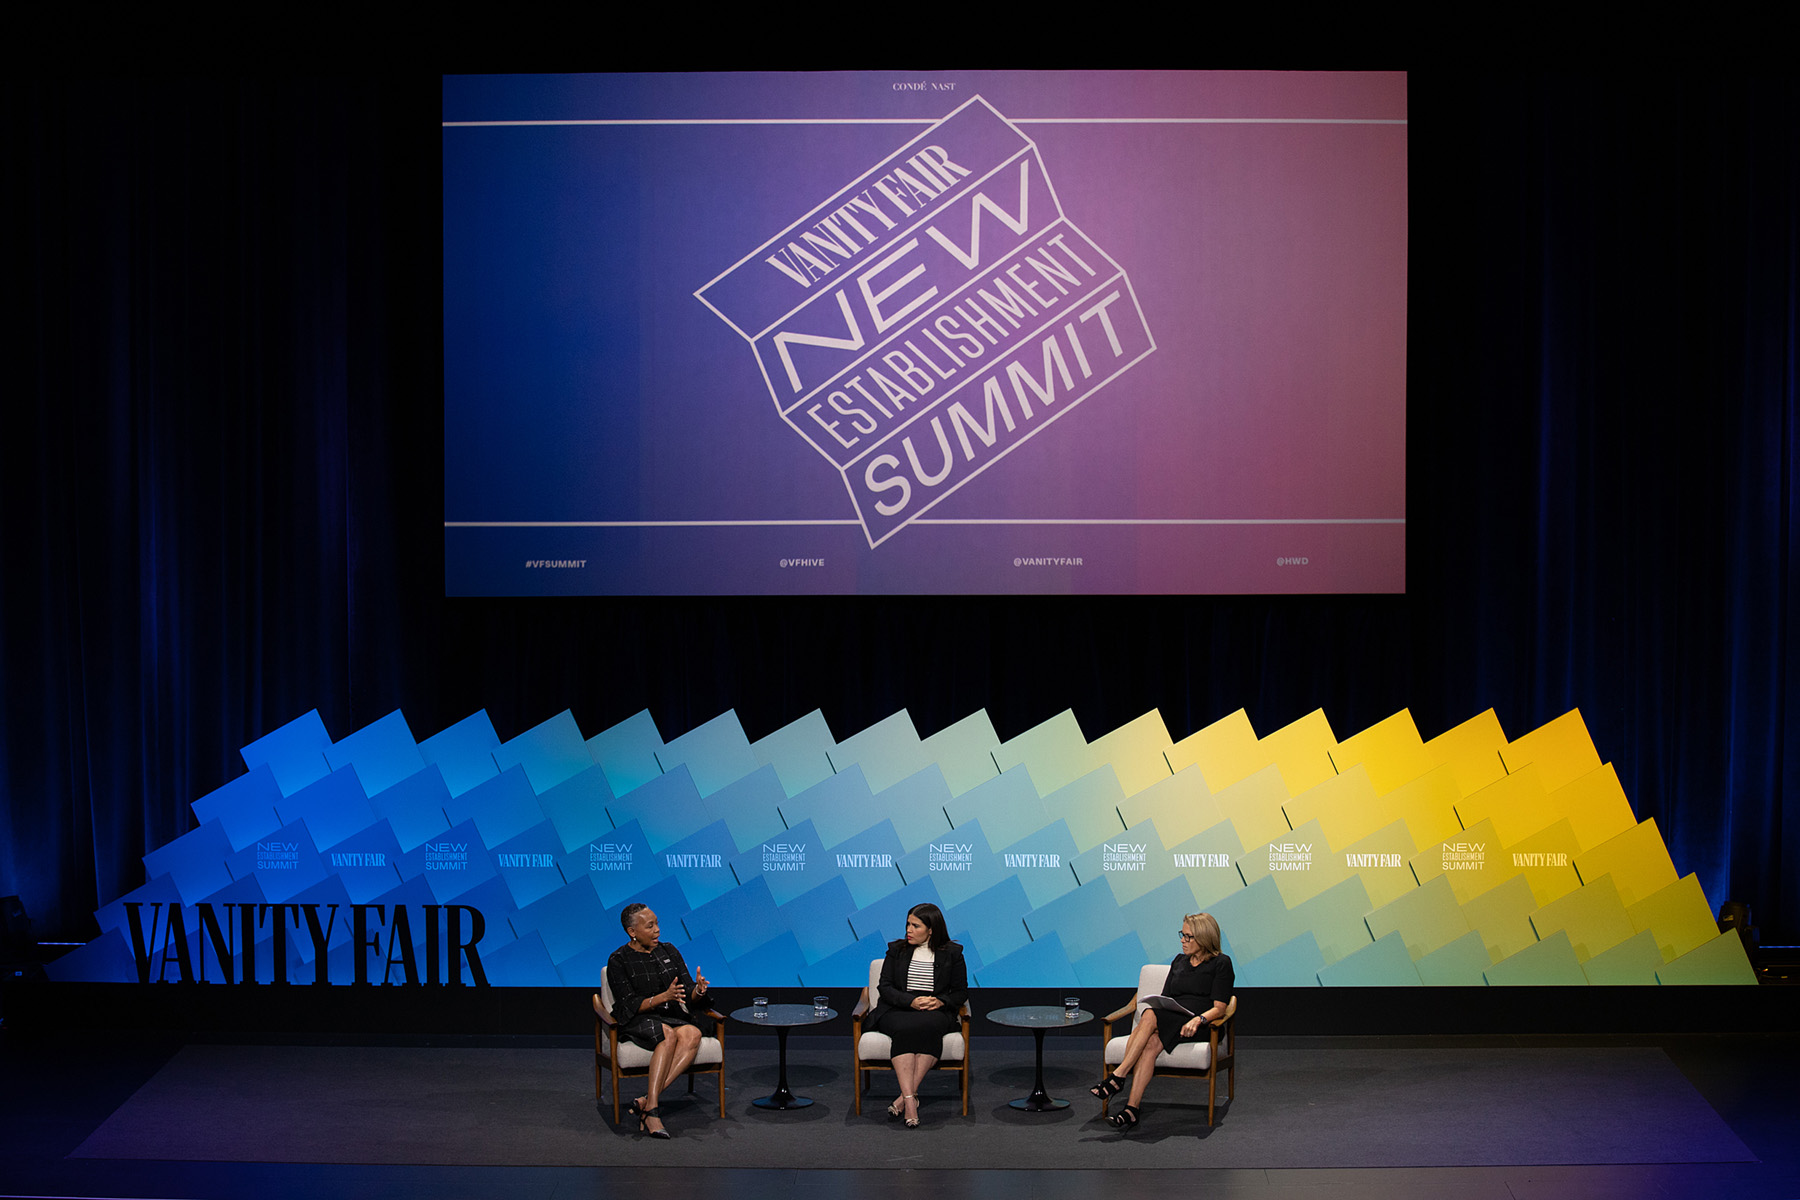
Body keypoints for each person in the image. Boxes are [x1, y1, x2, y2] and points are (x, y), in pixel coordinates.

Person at [1089, 911, 1233, 1131]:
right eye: (1182, 935)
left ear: (1204, 938)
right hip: (1172, 1019)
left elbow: (1220, 1007)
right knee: (1150, 1042)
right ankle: (1132, 1110)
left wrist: (1198, 1019)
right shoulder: (1179, 961)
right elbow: (1166, 997)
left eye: (1188, 937)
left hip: (1199, 1026)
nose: (1182, 941)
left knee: (1149, 1014)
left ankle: (1118, 1076)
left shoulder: (1221, 963)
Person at [605, 902, 714, 1138]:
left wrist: (699, 991)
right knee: (668, 1034)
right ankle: (653, 1112)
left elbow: (687, 990)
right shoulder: (619, 960)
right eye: (650, 926)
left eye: (657, 924)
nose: (657, 931)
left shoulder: (669, 951)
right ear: (632, 932)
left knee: (693, 1033)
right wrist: (662, 997)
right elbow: (628, 1004)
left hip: (669, 1015)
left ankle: (647, 1100)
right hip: (637, 1018)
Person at [866, 902, 967, 1127]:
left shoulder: (953, 953)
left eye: (915, 926)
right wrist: (910, 1001)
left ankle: (904, 1098)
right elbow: (885, 987)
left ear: (931, 930)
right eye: (908, 924)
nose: (908, 930)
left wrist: (940, 1000)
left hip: (934, 1011)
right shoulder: (896, 950)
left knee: (929, 1028)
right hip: (898, 1008)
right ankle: (911, 1102)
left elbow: (961, 992)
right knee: (904, 1029)